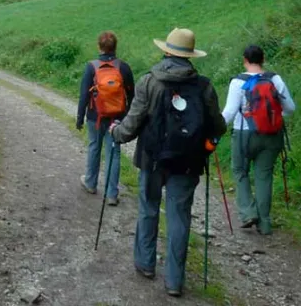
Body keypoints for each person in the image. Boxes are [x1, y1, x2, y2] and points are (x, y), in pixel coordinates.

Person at [109, 28, 226, 297]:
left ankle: (145, 264)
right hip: (187, 163)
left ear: (166, 51)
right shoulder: (204, 86)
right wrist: (206, 148)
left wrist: (116, 132)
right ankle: (174, 281)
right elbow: (218, 127)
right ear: (191, 56)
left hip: (152, 159)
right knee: (179, 217)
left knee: (149, 208)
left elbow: (132, 124)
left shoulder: (150, 81)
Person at [222, 45, 296, 235]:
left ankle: (248, 213)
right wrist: (272, 118)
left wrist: (214, 128)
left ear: (244, 59)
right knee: (264, 176)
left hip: (244, 135)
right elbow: (290, 108)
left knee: (240, 171)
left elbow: (230, 112)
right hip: (272, 135)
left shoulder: (238, 82)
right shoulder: (275, 79)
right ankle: (265, 224)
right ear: (263, 59)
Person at [76, 31, 135, 206]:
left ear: (99, 47)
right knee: (114, 153)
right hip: (116, 119)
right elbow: (132, 95)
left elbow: (83, 96)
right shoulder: (123, 67)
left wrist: (80, 117)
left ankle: (91, 183)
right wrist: (126, 116)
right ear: (115, 47)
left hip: (95, 116)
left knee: (94, 147)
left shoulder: (91, 67)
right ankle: (111, 194)